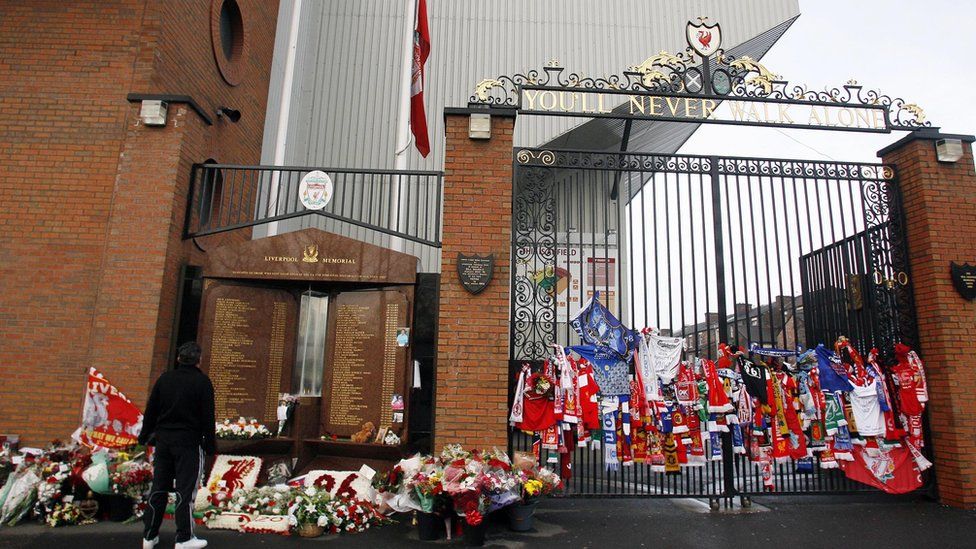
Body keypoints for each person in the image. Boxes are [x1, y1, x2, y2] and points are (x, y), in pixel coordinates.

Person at [138, 341, 216, 549]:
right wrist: (210, 445)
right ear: (199, 360)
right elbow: (208, 417)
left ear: (178, 359)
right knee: (185, 490)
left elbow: (151, 410)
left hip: (164, 442)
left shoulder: (164, 380)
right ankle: (183, 538)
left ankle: (149, 535)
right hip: (188, 443)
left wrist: (144, 435)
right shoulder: (202, 382)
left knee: (159, 488)